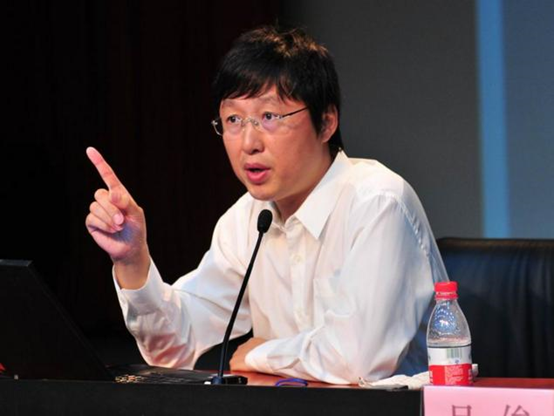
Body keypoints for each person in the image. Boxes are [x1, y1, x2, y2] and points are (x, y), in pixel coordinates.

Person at [85, 25, 448, 384]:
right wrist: (133, 261)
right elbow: (173, 348)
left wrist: (258, 354)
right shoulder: (246, 219)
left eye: (269, 117)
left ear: (326, 123)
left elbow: (356, 361)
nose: (248, 143)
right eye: (233, 120)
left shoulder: (378, 203)